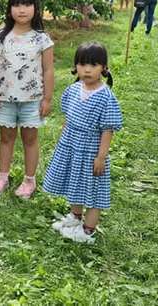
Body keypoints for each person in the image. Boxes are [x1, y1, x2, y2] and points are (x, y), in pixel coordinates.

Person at [45, 42, 122, 244]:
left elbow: (107, 130)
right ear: (75, 66)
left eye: (93, 65)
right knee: (74, 183)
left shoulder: (106, 97)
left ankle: (88, 231)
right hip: (71, 146)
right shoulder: (73, 90)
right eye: (82, 64)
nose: (87, 70)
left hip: (91, 151)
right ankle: (75, 217)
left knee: (93, 191)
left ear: (104, 68)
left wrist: (101, 157)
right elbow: (68, 119)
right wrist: (63, 141)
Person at [0, 0, 54, 199]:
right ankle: (2, 177)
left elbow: (48, 70)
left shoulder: (42, 39)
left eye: (27, 4)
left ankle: (29, 180)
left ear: (36, 9)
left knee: (30, 139)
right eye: (16, 5)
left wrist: (47, 99)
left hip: (32, 100)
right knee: (6, 138)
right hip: (5, 98)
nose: (21, 9)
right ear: (9, 9)